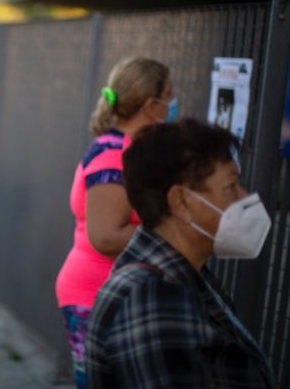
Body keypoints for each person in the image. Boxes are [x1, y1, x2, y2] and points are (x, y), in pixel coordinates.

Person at [86, 118, 275, 388]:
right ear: (181, 202)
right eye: (232, 186)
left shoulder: (184, 277)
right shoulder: (150, 299)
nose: (244, 197)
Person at [54, 57, 177, 389]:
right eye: (169, 95)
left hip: (120, 293)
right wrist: (178, 229)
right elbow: (106, 236)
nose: (173, 103)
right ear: (150, 105)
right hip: (95, 295)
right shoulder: (113, 155)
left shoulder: (132, 149)